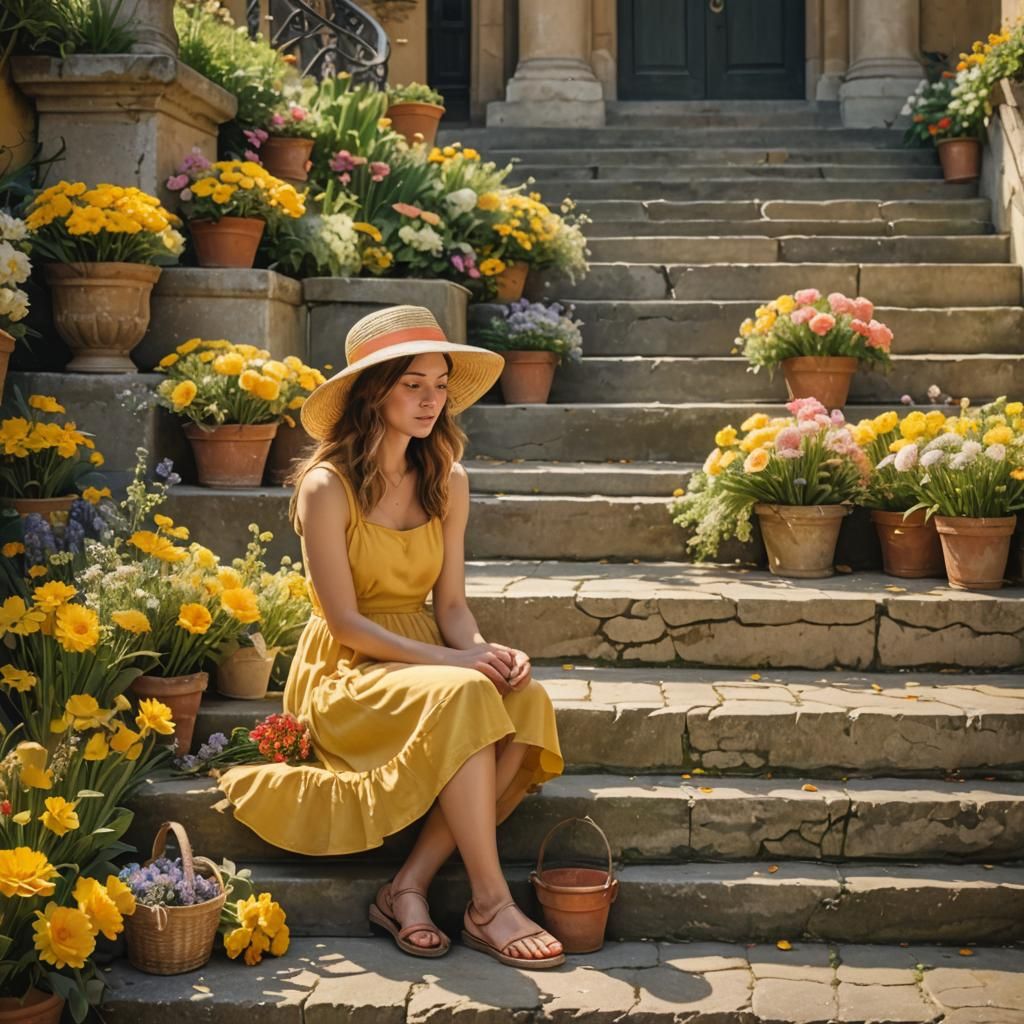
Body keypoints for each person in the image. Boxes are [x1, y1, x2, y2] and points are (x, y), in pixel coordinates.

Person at [216, 305, 565, 968]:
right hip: (348, 670)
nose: (433, 398)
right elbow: (346, 623)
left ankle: (408, 886)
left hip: (429, 660)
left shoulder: (448, 479)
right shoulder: (327, 487)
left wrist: (487, 650)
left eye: (440, 383)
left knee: (524, 701)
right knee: (466, 692)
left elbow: (453, 604)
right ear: (374, 392)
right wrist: (457, 661)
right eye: (414, 383)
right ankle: (491, 903)